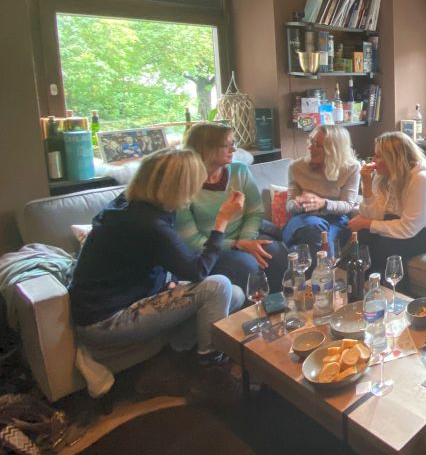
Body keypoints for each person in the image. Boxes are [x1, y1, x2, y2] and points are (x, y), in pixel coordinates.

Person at [70, 148, 245, 365]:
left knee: (235, 295)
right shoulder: (147, 222)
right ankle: (210, 361)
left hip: (132, 296)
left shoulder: (138, 204)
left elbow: (159, 259)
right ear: (178, 186)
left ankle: (177, 349)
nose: (195, 192)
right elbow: (197, 271)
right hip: (105, 321)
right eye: (194, 185)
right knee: (218, 286)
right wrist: (222, 221)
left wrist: (167, 283)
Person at [177, 122, 288, 292]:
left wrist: (247, 240)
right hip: (211, 250)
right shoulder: (184, 186)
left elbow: (255, 212)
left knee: (276, 253)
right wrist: (237, 244)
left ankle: (280, 303)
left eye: (233, 144)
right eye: (226, 145)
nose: (233, 150)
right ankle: (251, 308)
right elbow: (192, 241)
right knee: (246, 265)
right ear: (206, 149)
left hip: (247, 235)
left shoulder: (239, 171)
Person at [346, 131, 426, 275]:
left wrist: (367, 223)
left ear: (394, 159)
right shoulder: (383, 175)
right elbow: (373, 215)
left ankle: (389, 286)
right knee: (362, 235)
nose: (374, 160)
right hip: (406, 220)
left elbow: (408, 228)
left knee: (387, 246)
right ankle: (359, 282)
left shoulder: (421, 180)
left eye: (378, 156)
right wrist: (366, 183)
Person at [281, 125, 360, 260]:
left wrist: (323, 204)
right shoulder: (296, 167)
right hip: (303, 219)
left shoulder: (351, 168)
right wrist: (299, 204)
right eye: (311, 142)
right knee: (315, 228)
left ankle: (301, 259)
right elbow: (289, 205)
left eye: (317, 145)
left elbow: (348, 205)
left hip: (335, 220)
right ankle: (321, 269)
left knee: (323, 241)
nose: (310, 148)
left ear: (333, 150)